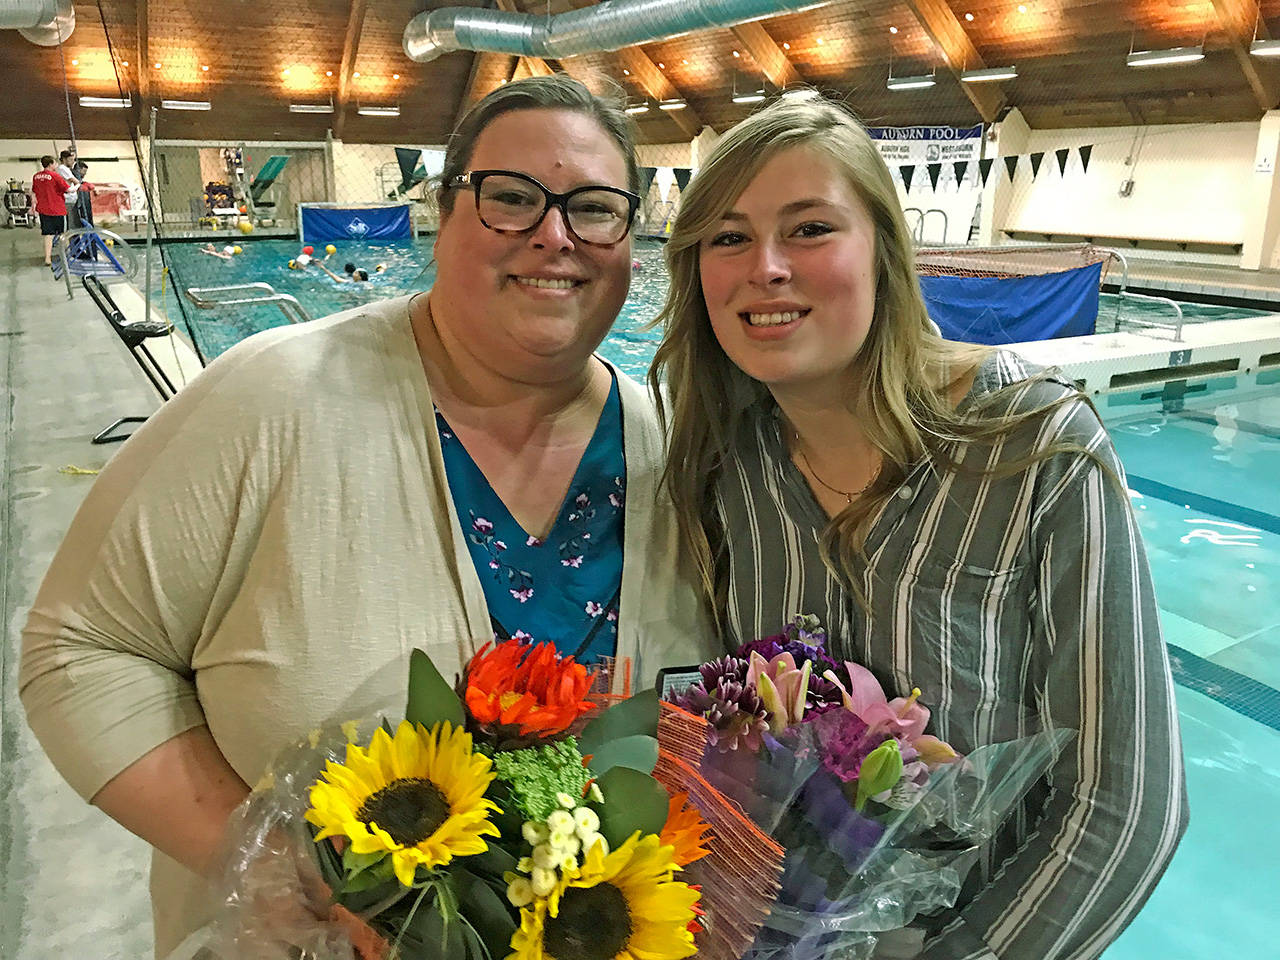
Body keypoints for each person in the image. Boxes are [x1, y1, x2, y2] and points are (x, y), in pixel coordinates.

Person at [20, 74, 718, 958]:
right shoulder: (275, 398)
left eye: (595, 207)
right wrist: (276, 874)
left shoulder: (676, 453)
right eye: (509, 198)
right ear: (440, 212)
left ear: (632, 237)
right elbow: (78, 650)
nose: (554, 235)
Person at [650, 97, 1188, 960]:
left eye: (811, 228)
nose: (767, 267)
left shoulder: (1031, 445)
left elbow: (1125, 807)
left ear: (885, 253)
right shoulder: (724, 467)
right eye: (727, 237)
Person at [31, 155, 70, 266]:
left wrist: (33, 205)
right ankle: (66, 256)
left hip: (43, 209)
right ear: (51, 164)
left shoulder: (36, 176)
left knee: (48, 234)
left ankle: (47, 258)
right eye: (55, 163)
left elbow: (33, 192)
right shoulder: (55, 176)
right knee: (63, 234)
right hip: (57, 209)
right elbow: (68, 189)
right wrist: (78, 186)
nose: (57, 165)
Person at [56, 148, 81, 229]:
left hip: (71, 199)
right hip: (68, 199)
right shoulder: (62, 168)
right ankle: (72, 240)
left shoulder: (66, 169)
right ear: (64, 159)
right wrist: (78, 185)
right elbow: (75, 181)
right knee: (71, 224)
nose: (72, 162)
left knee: (73, 222)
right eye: (70, 159)